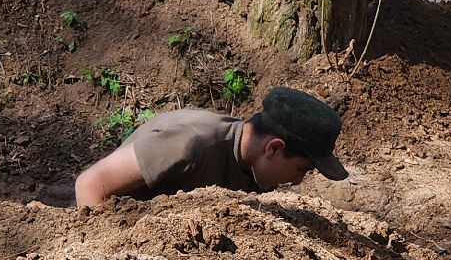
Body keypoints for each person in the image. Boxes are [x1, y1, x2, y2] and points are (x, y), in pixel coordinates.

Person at [74, 86, 348, 206]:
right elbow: (89, 185)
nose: (298, 181)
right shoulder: (188, 144)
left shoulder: (250, 166)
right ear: (273, 149)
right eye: (302, 169)